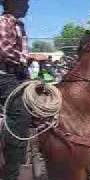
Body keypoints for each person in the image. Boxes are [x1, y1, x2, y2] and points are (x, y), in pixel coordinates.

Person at [0, 0, 47, 179]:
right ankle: (12, 171)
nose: (27, 6)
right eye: (24, 3)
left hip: (17, 76)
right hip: (5, 77)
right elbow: (4, 50)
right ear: (13, 4)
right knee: (20, 116)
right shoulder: (4, 22)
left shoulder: (19, 24)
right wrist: (28, 57)